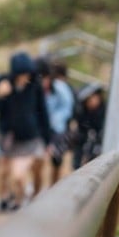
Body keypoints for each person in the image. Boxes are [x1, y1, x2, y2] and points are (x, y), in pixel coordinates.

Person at [0, 52, 51, 210]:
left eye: (27, 73)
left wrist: (47, 140)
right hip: (7, 137)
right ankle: (5, 197)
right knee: (3, 171)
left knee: (18, 175)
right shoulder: (3, 82)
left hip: (28, 138)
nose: (25, 77)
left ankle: (19, 201)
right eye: (22, 74)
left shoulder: (35, 86)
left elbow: (43, 113)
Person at [35, 57, 74, 188]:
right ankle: (36, 191)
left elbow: (67, 108)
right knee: (38, 159)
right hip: (41, 128)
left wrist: (53, 120)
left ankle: (53, 188)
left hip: (57, 129)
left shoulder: (60, 89)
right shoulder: (36, 90)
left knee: (56, 160)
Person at [70, 82, 106, 170]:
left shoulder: (105, 113)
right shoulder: (83, 112)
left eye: (92, 99)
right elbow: (81, 133)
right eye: (88, 101)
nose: (91, 103)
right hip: (85, 141)